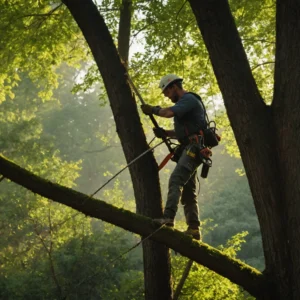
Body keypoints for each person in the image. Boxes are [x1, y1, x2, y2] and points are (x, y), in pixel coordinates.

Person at [141, 74, 208, 240]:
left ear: (173, 87)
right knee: (188, 191)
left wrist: (154, 109)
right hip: (190, 147)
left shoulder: (188, 99)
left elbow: (168, 113)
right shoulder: (183, 105)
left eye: (166, 92)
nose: (166, 95)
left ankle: (168, 218)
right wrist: (166, 133)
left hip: (194, 149)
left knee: (176, 180)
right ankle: (193, 228)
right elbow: (182, 134)